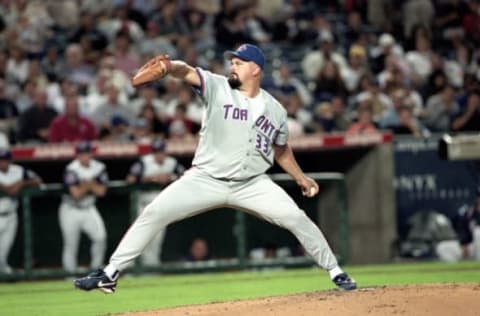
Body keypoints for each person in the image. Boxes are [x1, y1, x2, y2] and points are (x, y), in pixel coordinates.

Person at [74, 44, 356, 293]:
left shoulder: (276, 110)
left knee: (296, 218)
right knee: (154, 213)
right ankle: (110, 273)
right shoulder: (218, 86)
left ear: (255, 69)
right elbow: (186, 72)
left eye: (239, 62)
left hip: (252, 183)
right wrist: (170, 66)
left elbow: (281, 149)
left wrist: (300, 177)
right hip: (206, 179)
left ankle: (335, 271)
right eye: (232, 62)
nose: (232, 66)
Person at [126, 139, 185, 267]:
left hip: (161, 208)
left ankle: (152, 271)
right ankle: (133, 269)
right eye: (157, 152)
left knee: (157, 241)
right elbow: (130, 179)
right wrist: (152, 178)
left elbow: (186, 176)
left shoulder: (171, 163)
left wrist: (170, 177)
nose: (160, 155)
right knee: (141, 240)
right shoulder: (144, 162)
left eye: (162, 152)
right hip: (143, 206)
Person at [59, 142, 109, 273]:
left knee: (100, 237)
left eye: (87, 153)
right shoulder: (71, 168)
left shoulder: (99, 167)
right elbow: (76, 194)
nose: (84, 156)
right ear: (77, 155)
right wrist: (91, 185)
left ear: (91, 153)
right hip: (70, 209)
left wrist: (84, 185)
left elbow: (101, 192)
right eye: (81, 154)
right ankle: (70, 276)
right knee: (71, 245)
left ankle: (95, 271)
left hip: (89, 208)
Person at [0, 148, 42, 274]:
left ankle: (4, 271)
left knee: (4, 250)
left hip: (11, 216)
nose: (2, 163)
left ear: (10, 160)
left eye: (5, 160)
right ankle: (5, 271)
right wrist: (5, 187)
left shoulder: (18, 170)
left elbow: (38, 180)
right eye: (0, 160)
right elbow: (8, 189)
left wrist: (22, 183)